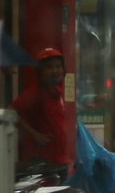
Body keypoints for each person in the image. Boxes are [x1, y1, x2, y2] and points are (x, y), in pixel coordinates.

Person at [11, 47, 77, 175]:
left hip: (61, 160)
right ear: (40, 71)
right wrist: (35, 134)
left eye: (58, 66)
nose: (55, 71)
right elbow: (10, 112)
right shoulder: (34, 93)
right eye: (49, 67)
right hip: (42, 163)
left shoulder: (60, 92)